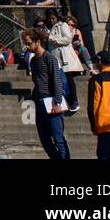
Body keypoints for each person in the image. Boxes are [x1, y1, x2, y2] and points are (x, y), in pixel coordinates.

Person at [27, 26, 70, 159]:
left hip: (51, 101)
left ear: (37, 41)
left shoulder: (49, 58)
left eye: (29, 43)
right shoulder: (33, 60)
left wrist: (57, 102)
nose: (27, 46)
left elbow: (57, 80)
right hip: (39, 103)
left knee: (58, 140)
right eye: (25, 44)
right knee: (45, 140)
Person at [45, 8, 83, 112]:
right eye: (49, 19)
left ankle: (74, 102)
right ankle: (68, 103)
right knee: (62, 82)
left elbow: (67, 39)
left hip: (65, 58)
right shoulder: (50, 28)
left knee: (68, 82)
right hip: (57, 59)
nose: (51, 20)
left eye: (53, 18)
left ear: (57, 17)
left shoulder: (63, 25)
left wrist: (50, 38)